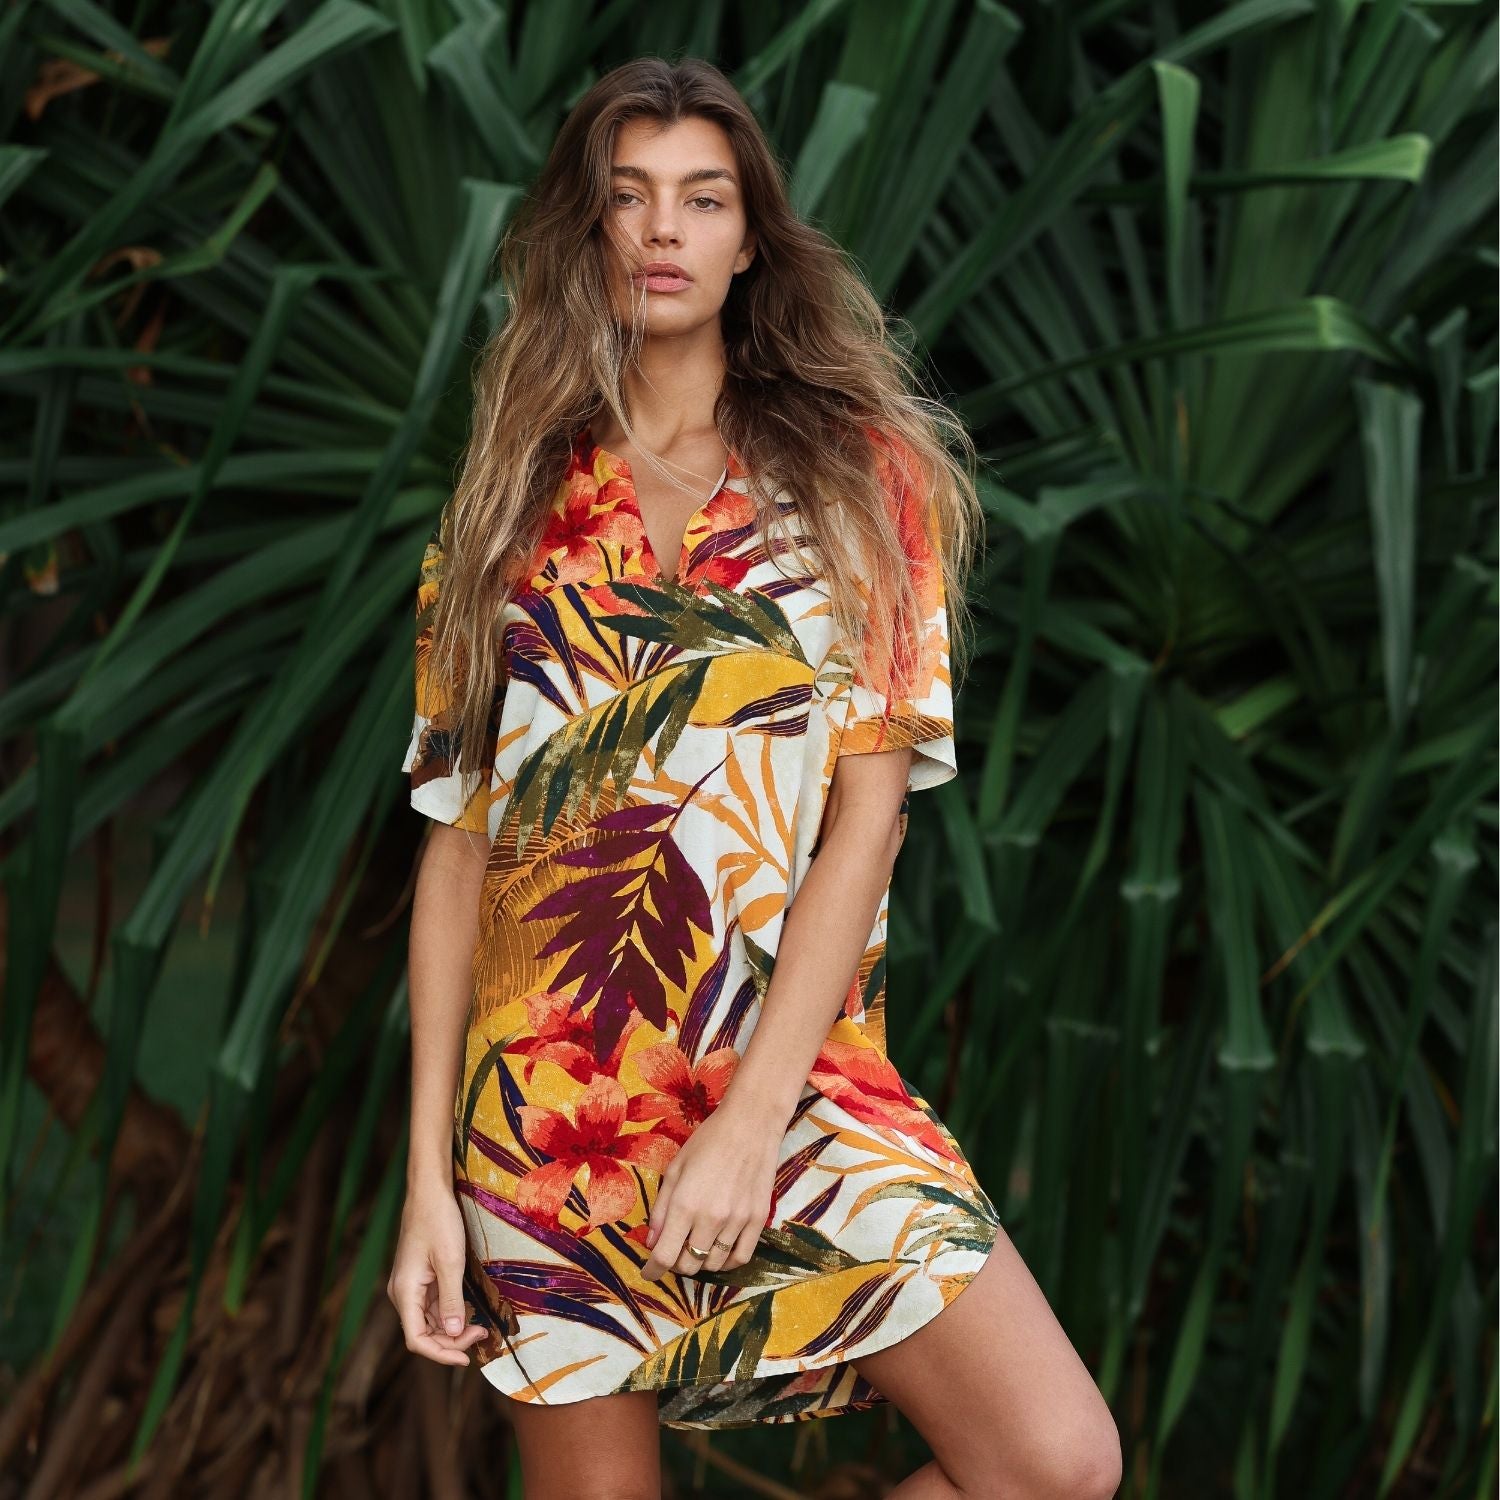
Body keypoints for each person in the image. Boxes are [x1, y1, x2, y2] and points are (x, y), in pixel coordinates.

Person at [387, 55, 1121, 1500]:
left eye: (702, 198)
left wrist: (747, 1119)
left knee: (1052, 1459)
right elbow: (459, 856)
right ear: (586, 234)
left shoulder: (860, 479)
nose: (663, 229)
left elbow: (872, 812)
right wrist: (427, 1187)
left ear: (748, 237)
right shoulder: (506, 512)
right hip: (551, 1118)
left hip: (793, 1090)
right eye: (628, 197)